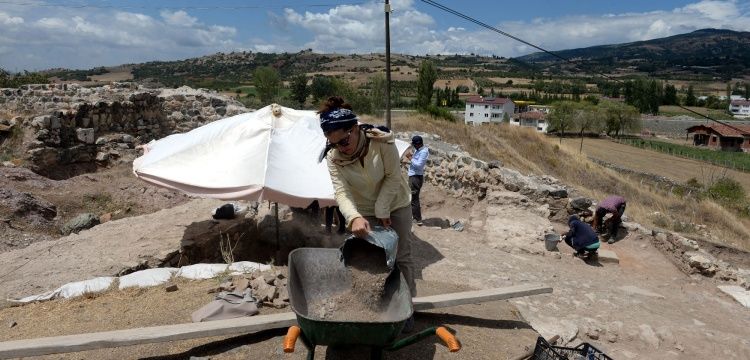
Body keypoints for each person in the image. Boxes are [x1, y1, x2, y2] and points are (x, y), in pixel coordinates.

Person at [318, 96, 416, 301]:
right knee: (368, 258)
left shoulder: (381, 141)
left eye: (344, 141)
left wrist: (383, 209)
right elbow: (341, 192)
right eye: (334, 143)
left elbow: (393, 177)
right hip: (364, 210)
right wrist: (353, 217)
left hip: (396, 204)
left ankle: (407, 306)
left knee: (401, 256)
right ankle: (373, 303)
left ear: (354, 128)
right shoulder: (333, 157)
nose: (341, 148)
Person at [407, 135, 429, 225]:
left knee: (414, 198)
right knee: (412, 198)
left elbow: (419, 165)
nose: (413, 146)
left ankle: (417, 219)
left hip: (416, 177)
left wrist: (410, 158)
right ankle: (415, 217)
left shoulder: (423, 152)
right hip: (413, 175)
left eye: (414, 145)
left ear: (419, 144)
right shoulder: (419, 150)